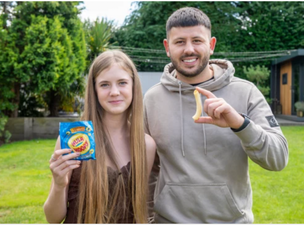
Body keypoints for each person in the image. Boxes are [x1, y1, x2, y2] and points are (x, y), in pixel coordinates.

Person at [144, 7, 289, 223]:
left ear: (211, 45)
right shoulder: (152, 99)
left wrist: (239, 124)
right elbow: (147, 170)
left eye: (197, 40)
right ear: (167, 47)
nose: (189, 49)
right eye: (180, 42)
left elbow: (278, 159)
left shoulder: (245, 92)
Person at [44, 50, 156, 223]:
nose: (114, 92)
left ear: (133, 86)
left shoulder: (145, 145)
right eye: (104, 84)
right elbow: (53, 218)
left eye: (122, 83)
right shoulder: (73, 140)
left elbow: (140, 211)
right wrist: (59, 185)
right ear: (94, 90)